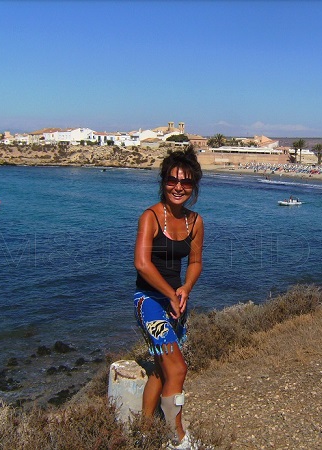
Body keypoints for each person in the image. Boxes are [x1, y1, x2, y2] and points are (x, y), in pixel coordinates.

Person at [133, 146, 204, 449]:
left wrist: (185, 288)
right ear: (163, 182)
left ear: (193, 186)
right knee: (178, 368)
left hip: (176, 302)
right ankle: (177, 437)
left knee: (163, 371)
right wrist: (168, 294)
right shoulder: (150, 216)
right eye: (172, 181)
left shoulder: (195, 222)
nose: (178, 188)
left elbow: (196, 262)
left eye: (186, 182)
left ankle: (145, 430)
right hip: (148, 301)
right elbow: (142, 264)